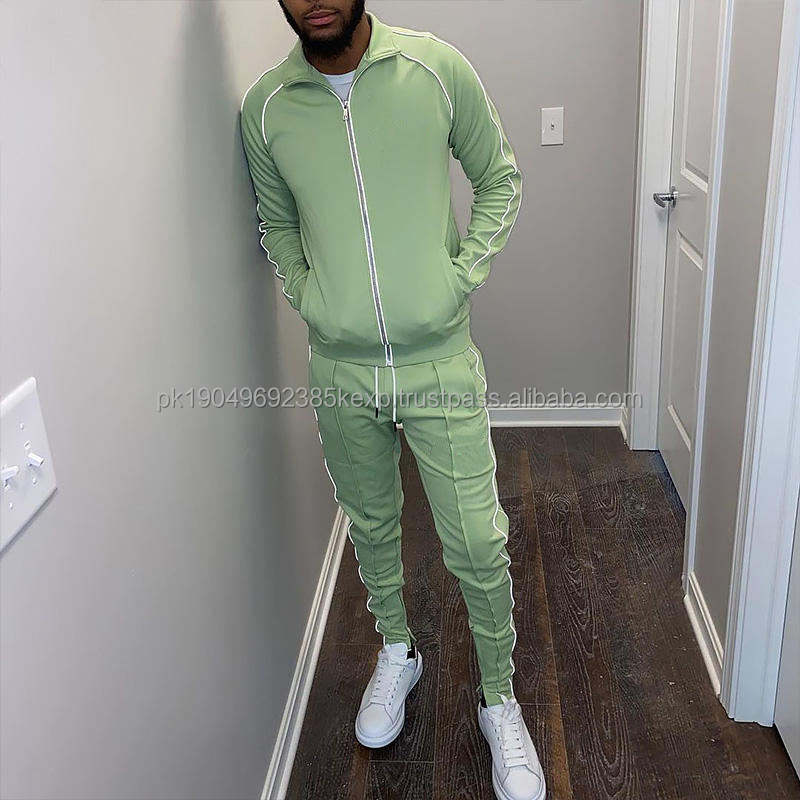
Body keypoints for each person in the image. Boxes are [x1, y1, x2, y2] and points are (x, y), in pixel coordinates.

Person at [241, 3, 544, 798]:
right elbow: (276, 226)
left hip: (437, 359)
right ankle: (398, 650)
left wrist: (458, 278)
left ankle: (500, 699)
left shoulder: (435, 69)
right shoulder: (267, 108)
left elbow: (500, 177)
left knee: (476, 541)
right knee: (370, 523)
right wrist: (312, 299)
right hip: (340, 368)